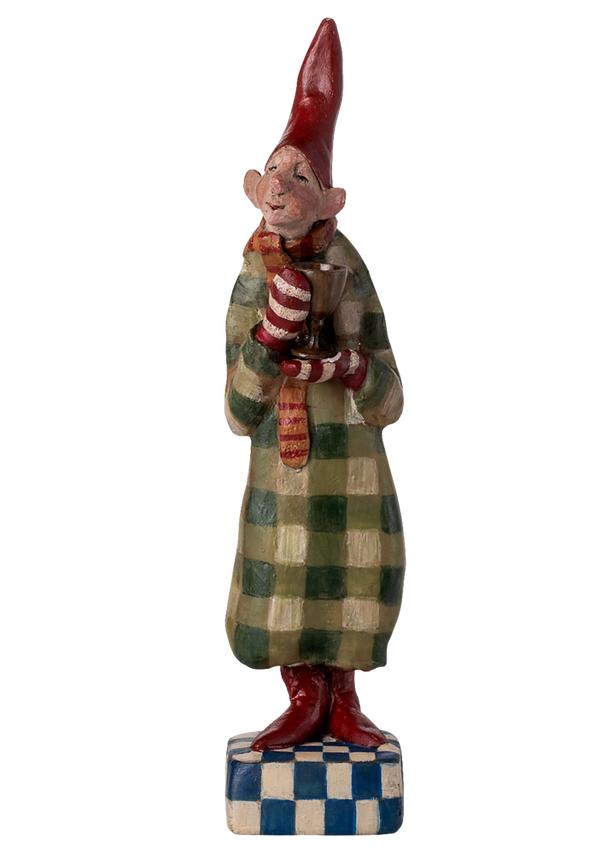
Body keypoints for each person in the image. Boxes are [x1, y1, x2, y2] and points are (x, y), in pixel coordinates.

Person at [220, 14, 408, 752]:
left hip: (352, 462)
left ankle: (346, 696)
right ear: (252, 186)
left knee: (355, 574)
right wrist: (270, 335)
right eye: (275, 171)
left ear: (333, 201)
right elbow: (237, 410)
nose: (282, 187)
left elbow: (393, 396)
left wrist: (354, 368)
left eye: (302, 176)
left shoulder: (351, 269)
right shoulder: (250, 273)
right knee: (285, 579)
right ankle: (301, 692)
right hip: (284, 468)